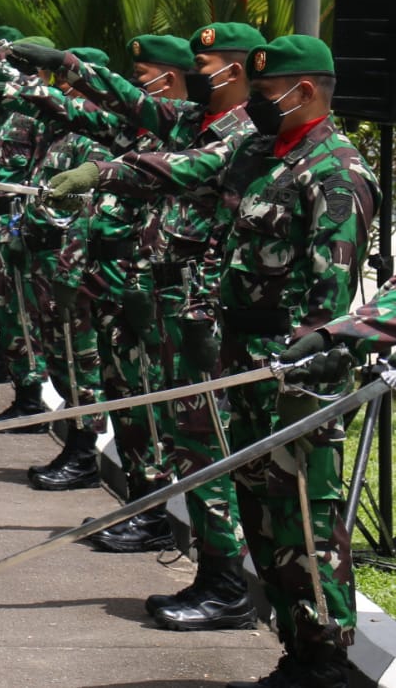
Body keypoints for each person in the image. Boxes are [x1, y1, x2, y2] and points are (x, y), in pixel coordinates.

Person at [48, 34, 374, 688]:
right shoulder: (255, 150)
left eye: (261, 94)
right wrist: (102, 173)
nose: (251, 105)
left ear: (302, 90)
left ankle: (327, 660)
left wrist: (307, 362)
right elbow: (190, 169)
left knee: (303, 521)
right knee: (258, 513)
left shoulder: (335, 172)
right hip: (237, 360)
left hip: (292, 375)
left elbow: (329, 295)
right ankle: (296, 651)